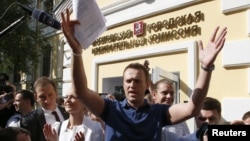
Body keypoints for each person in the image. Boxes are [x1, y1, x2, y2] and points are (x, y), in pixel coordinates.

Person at [61, 8, 227, 140]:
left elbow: (192, 108)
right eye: (128, 81)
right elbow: (80, 92)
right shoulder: (110, 109)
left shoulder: (159, 112)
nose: (132, 84)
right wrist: (77, 52)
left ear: (147, 84)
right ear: (124, 84)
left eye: (137, 81)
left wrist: (206, 68)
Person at [21, 76, 69, 141]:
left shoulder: (68, 113)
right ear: (36, 97)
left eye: (50, 95)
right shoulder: (29, 121)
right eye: (42, 97)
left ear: (56, 93)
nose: (47, 100)